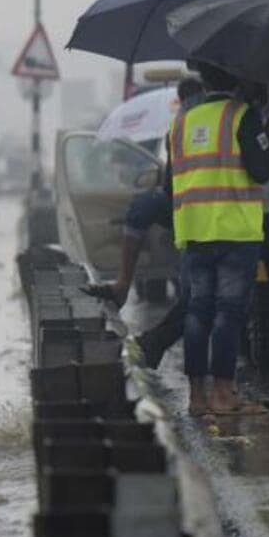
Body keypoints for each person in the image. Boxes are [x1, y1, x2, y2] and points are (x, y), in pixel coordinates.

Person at [170, 63, 269, 415]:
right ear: (236, 79)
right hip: (234, 229)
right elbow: (261, 170)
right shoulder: (242, 116)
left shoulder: (182, 121)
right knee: (228, 313)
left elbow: (174, 177)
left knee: (197, 312)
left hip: (195, 230)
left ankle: (197, 398)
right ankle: (223, 394)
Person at [89, 73, 205, 369]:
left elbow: (170, 186)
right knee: (204, 300)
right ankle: (205, 385)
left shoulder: (180, 126)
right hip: (218, 221)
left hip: (202, 221)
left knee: (202, 299)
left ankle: (125, 286)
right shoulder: (219, 121)